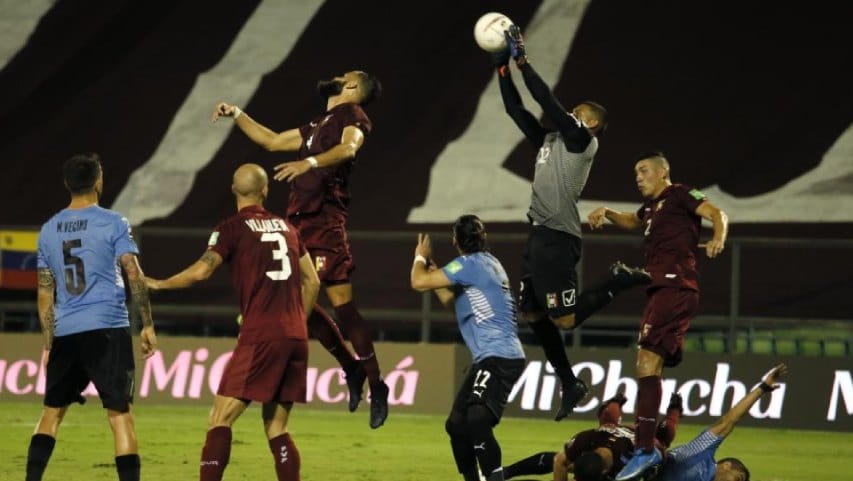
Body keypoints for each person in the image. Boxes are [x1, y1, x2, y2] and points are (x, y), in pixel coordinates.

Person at [211, 70, 388, 428]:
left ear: (352, 87)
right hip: (298, 223)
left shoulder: (352, 117)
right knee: (300, 306)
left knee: (341, 305)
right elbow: (273, 141)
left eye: (345, 74)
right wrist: (237, 114)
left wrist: (308, 162)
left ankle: (375, 383)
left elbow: (349, 148)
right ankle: (352, 369)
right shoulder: (319, 122)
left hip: (324, 222)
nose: (337, 75)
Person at [494, 25, 652, 421]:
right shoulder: (550, 142)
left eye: (579, 115)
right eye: (573, 113)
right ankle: (570, 383)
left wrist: (523, 62)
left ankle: (617, 280)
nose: (571, 116)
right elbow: (517, 110)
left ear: (592, 125)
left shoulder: (583, 143)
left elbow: (544, 98)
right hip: (538, 238)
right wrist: (502, 69)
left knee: (563, 319)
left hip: (558, 238)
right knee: (532, 314)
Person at [145, 164, 321, 481]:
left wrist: (159, 284)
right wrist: (297, 322)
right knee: (276, 426)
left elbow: (201, 272)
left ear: (232, 189)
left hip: (261, 336)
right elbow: (313, 282)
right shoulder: (287, 228)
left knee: (219, 419)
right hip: (295, 336)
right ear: (265, 190)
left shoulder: (232, 228)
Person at [586, 151, 729, 479]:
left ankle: (646, 450)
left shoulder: (679, 193)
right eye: (635, 172)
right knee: (650, 365)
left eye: (644, 170)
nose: (638, 177)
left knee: (647, 362)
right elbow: (634, 220)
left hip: (675, 287)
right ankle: (646, 447)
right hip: (662, 290)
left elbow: (717, 213)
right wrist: (607, 212)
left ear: (663, 172)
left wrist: (719, 237)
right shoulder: (651, 208)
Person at [27, 152, 158, 481]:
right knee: (120, 416)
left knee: (51, 414)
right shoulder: (114, 222)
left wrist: (49, 343)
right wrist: (147, 324)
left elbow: (45, 294)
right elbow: (134, 274)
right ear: (99, 181)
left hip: (67, 331)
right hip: (107, 328)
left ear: (67, 184)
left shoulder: (48, 231)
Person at [410, 215, 527, 481]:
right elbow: (456, 304)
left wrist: (420, 257)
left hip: (499, 357)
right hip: (496, 356)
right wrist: (435, 270)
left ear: (455, 241)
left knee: (476, 419)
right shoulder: (488, 263)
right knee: (456, 424)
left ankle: (493, 478)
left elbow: (417, 282)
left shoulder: (467, 265)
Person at [646, 364, 787, 481]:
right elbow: (729, 420)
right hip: (646, 464)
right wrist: (763, 388)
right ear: (726, 465)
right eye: (737, 479)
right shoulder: (704, 449)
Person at [503, 392, 683, 481]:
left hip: (643, 438)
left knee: (665, 432)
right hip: (612, 431)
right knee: (607, 421)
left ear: (605, 473)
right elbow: (560, 460)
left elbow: (659, 453)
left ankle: (675, 408)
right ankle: (507, 472)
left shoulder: (637, 459)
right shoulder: (585, 439)